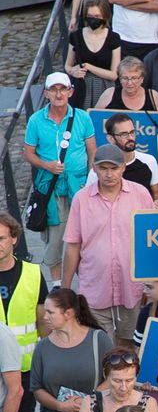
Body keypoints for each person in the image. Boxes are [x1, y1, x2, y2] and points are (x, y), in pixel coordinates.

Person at [61, 144, 155, 346]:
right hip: (94, 289)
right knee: (98, 347)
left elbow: (152, 240)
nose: (109, 174)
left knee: (130, 345)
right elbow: (72, 246)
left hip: (133, 288)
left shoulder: (141, 195)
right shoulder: (81, 199)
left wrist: (154, 283)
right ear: (94, 169)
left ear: (123, 168)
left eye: (113, 168)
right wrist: (65, 289)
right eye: (103, 168)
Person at [22, 72, 96, 283]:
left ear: (70, 92)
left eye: (62, 89)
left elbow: (92, 151)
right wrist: (47, 165)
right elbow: (28, 153)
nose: (59, 93)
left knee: (85, 235)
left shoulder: (82, 117)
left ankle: (86, 282)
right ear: (46, 93)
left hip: (79, 186)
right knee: (55, 236)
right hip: (51, 188)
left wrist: (90, 181)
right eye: (54, 90)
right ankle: (57, 285)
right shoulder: (36, 120)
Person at [0, 213, 48, 412]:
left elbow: (42, 319)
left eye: (2, 238)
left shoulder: (31, 273)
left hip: (25, 364)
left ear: (14, 240)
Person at [65, 0, 121, 110]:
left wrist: (89, 67)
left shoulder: (113, 38)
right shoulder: (76, 36)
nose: (93, 19)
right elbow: (67, 65)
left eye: (97, 16)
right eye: (90, 16)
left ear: (104, 16)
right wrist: (73, 71)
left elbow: (114, 74)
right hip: (82, 87)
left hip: (105, 87)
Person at [92, 114, 158, 202]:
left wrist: (157, 204)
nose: (130, 137)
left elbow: (156, 195)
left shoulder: (149, 161)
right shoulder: (98, 168)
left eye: (132, 132)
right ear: (111, 138)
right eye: (124, 134)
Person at [94, 56, 158, 117]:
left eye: (134, 78)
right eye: (125, 78)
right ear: (120, 79)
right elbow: (94, 119)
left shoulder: (154, 97)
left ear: (142, 79)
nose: (129, 83)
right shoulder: (109, 94)